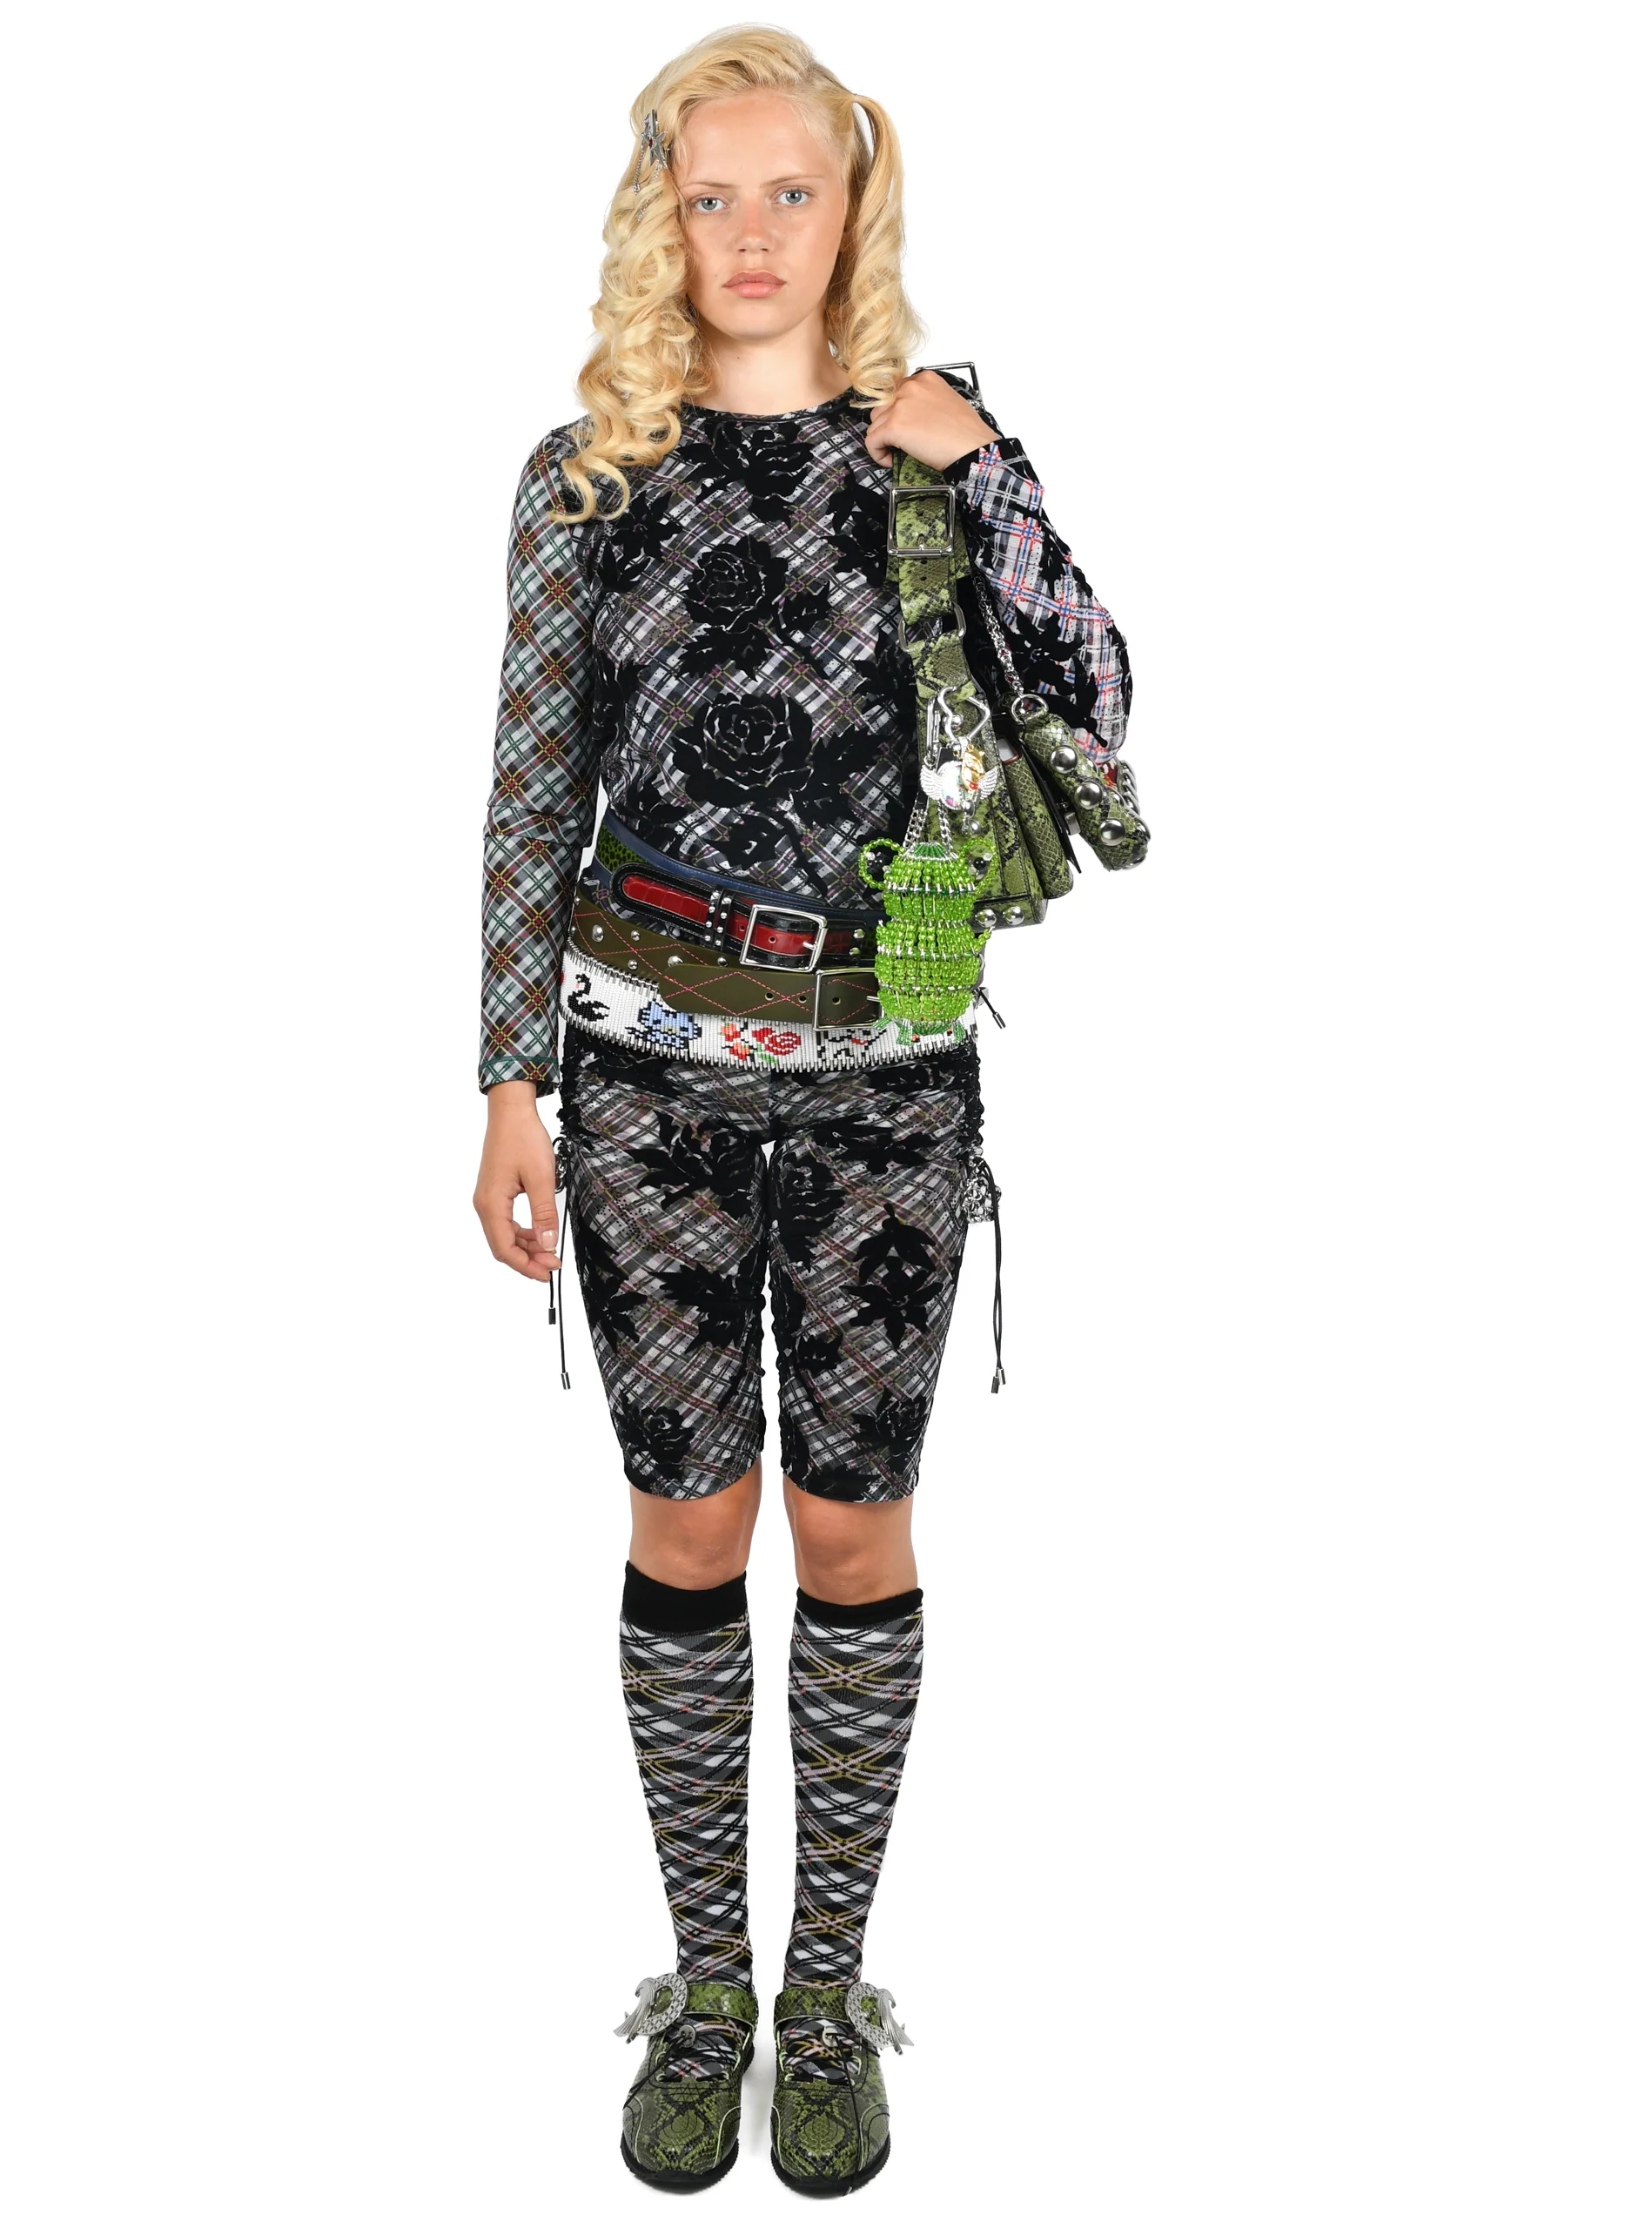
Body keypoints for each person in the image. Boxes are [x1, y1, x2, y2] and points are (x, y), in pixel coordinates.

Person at [473, 25, 1132, 2197]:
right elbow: (530, 793)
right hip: (640, 1081)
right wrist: (506, 1076)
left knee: (851, 1525)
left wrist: (989, 463)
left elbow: (1099, 697)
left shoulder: (928, 453)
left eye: (791, 191)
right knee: (687, 1523)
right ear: (657, 218)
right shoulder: (588, 474)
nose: (750, 233)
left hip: (890, 1084)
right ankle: (706, 1988)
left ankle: (829, 1991)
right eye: (710, 194)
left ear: (854, 211)